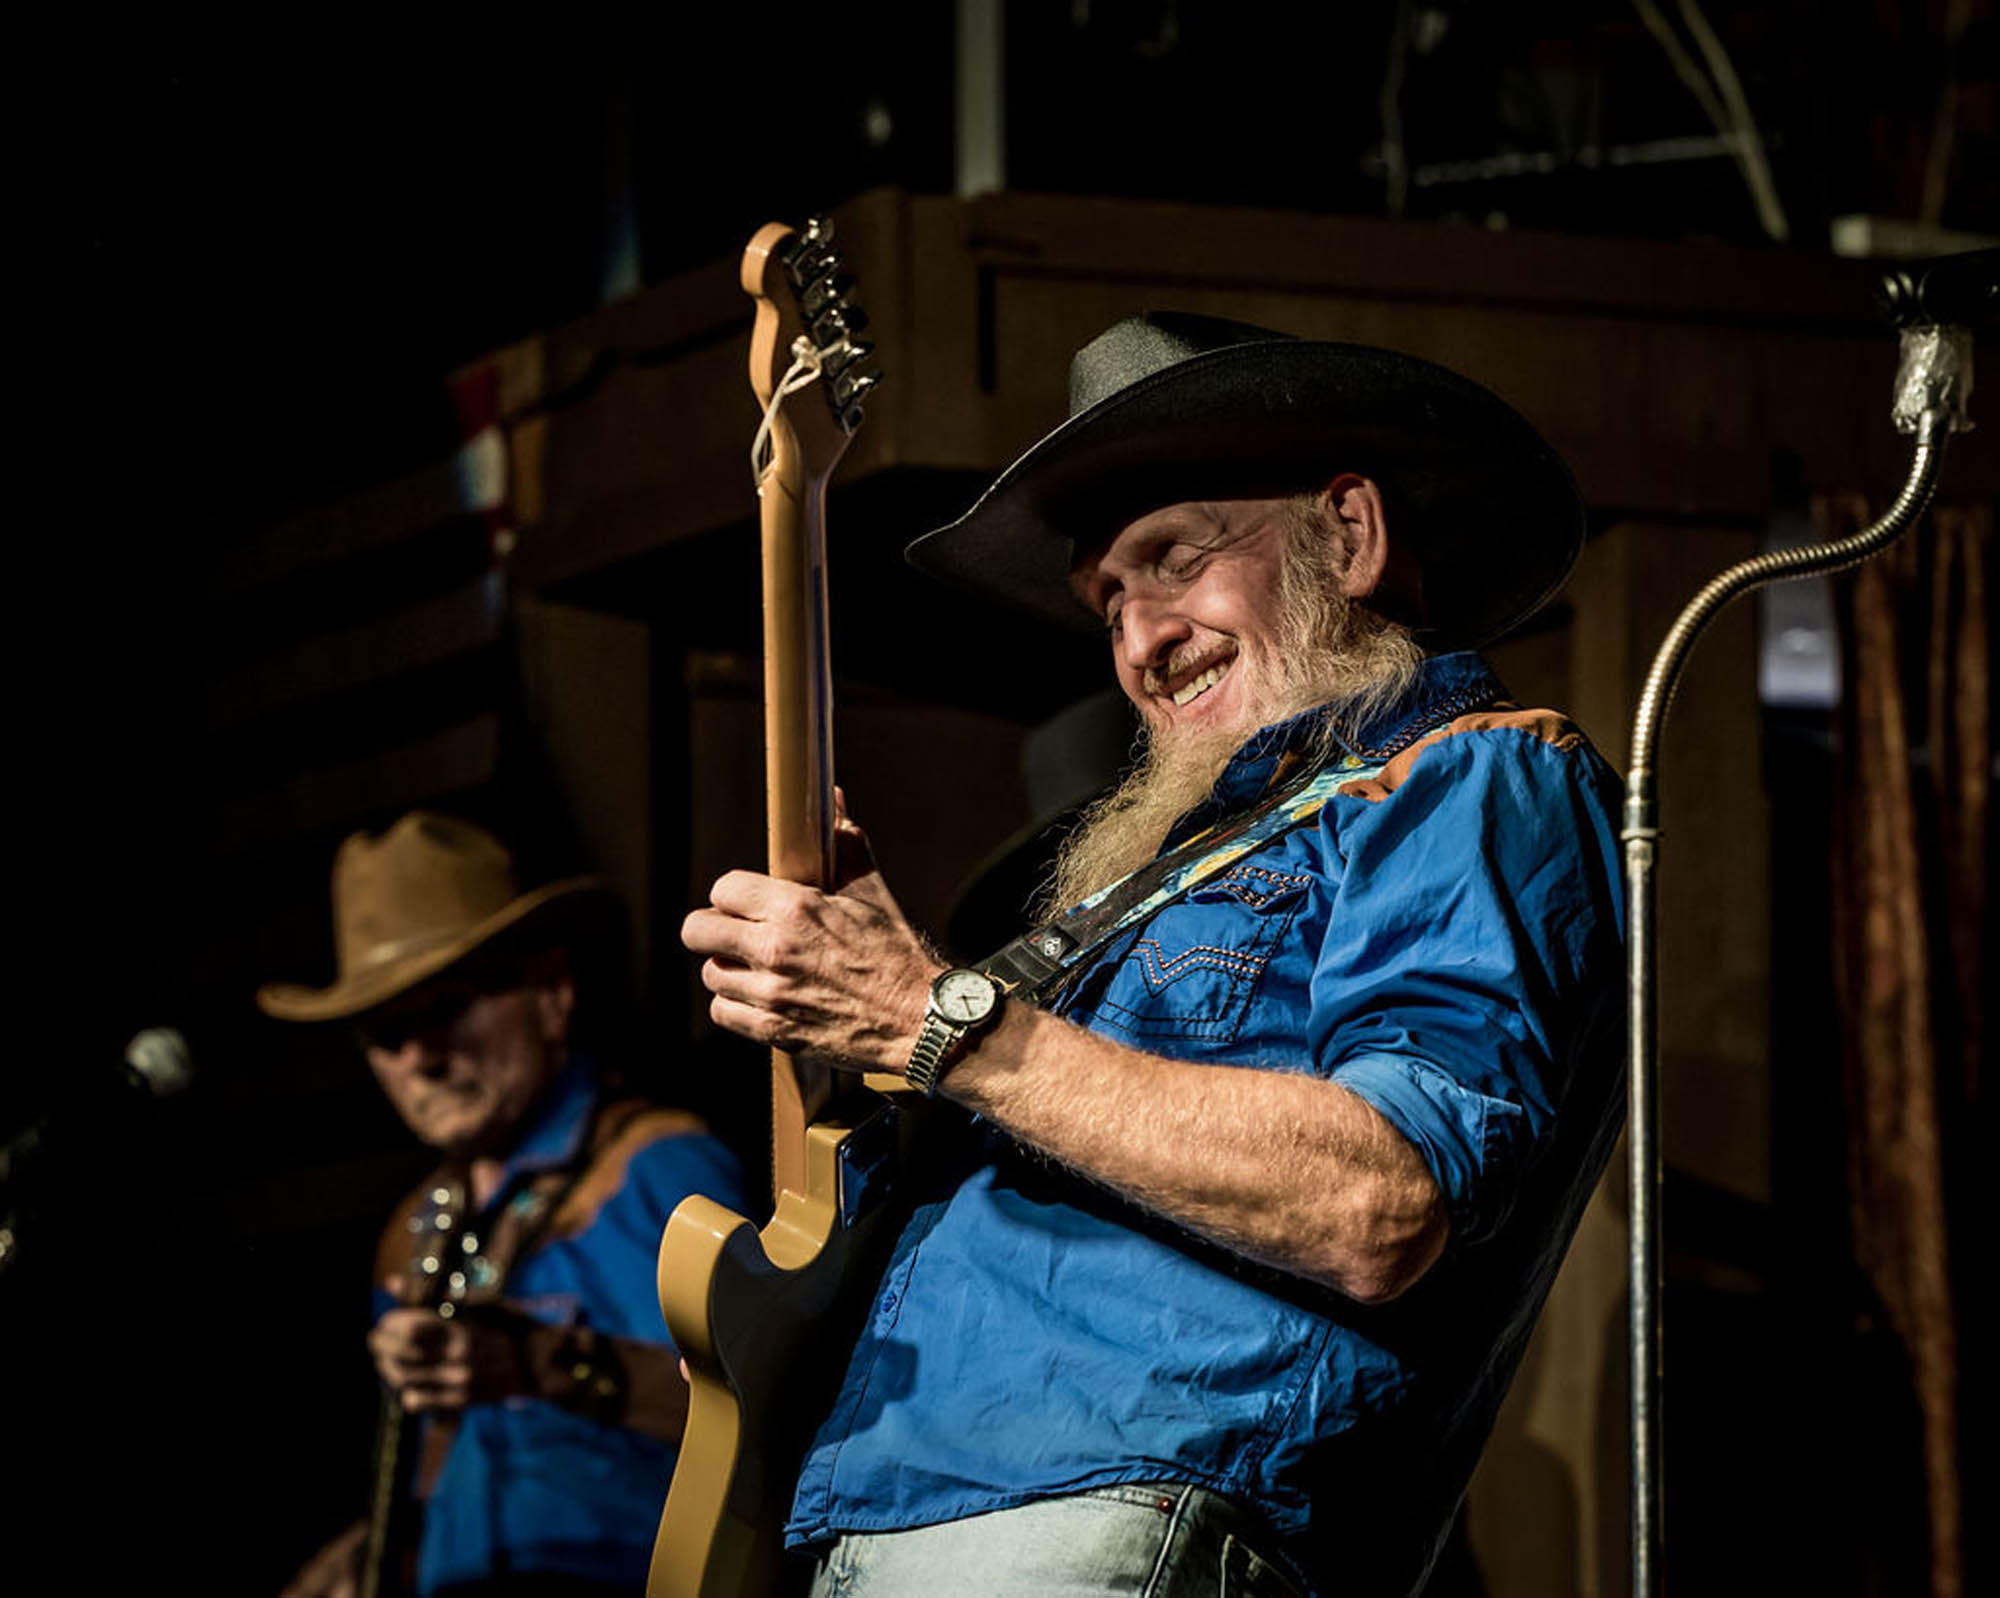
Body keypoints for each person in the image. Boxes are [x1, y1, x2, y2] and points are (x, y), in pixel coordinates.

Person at [680, 312, 1628, 1597]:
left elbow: (1379, 1199)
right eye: (1107, 602)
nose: (1136, 642)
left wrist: (933, 1011)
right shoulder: (1177, 872)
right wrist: (863, 1031)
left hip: (1114, 1522)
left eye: (1172, 561)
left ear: (1345, 533)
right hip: (914, 1519)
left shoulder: (1467, 775)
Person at [261, 809, 748, 1598]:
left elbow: (767, 1426)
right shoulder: (413, 1231)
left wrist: (532, 1363)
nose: (419, 1057)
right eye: (386, 1036)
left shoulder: (660, 1167)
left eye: (445, 1007)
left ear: (552, 993)